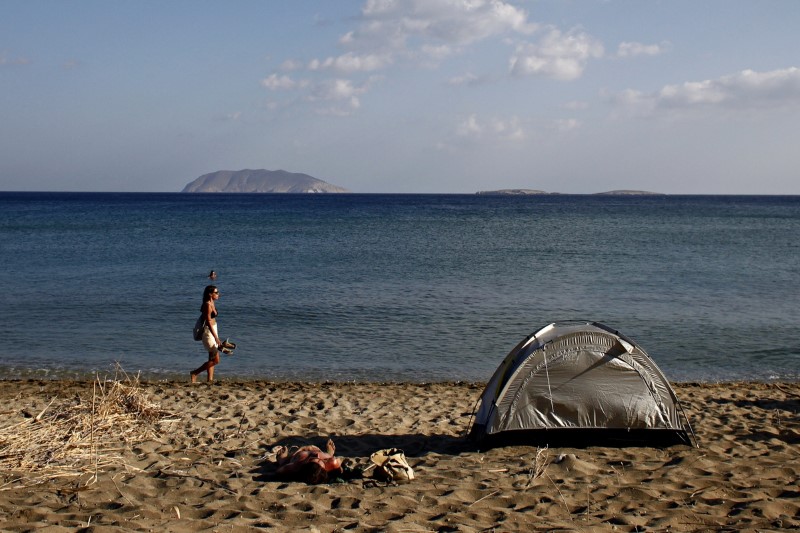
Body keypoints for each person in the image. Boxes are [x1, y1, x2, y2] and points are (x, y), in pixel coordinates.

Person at [274, 439, 343, 484]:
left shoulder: (296, 466)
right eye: (322, 460)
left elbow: (279, 470)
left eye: (312, 458)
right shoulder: (332, 463)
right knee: (330, 458)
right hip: (327, 461)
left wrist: (282, 459)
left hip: (297, 458)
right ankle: (329, 454)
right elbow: (340, 469)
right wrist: (329, 455)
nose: (317, 455)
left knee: (283, 459)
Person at [190, 285, 222, 382]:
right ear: (210, 294)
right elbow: (208, 321)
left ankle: (210, 379)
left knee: (211, 357)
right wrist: (216, 337)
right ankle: (195, 373)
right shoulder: (207, 305)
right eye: (216, 293)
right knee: (216, 360)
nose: (218, 294)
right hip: (209, 332)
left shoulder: (212, 302)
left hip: (213, 329)